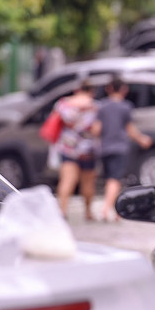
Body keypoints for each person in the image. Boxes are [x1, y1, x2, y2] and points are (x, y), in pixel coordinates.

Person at [97, 76, 152, 222]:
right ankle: (105, 209)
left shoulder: (102, 106)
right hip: (120, 147)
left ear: (109, 89)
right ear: (123, 90)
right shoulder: (125, 106)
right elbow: (130, 129)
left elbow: (97, 129)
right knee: (114, 179)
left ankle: (117, 212)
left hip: (105, 147)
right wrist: (142, 139)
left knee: (112, 178)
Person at [53, 80, 101, 220]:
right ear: (92, 91)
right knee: (88, 182)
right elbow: (97, 130)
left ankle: (62, 210)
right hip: (88, 149)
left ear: (77, 90)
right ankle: (88, 212)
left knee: (67, 180)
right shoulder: (95, 106)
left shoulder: (63, 104)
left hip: (68, 147)